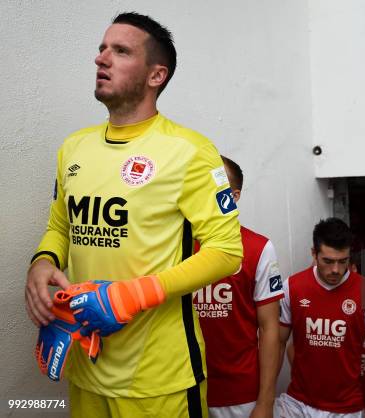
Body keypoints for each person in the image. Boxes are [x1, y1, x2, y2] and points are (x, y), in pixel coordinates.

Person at [25, 12, 242, 418]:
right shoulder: (73, 148)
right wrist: (42, 263)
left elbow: (228, 251)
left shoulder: (191, 151)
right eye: (102, 48)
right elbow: (59, 227)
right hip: (86, 364)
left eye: (120, 51)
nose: (101, 59)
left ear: (155, 75)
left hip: (159, 379)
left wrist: (130, 294)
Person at [193, 156, 283, 418]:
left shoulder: (258, 248)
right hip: (184, 388)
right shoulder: (175, 246)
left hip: (240, 397)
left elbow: (269, 329)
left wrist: (265, 401)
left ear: (234, 195)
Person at [277, 218, 365, 418]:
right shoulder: (292, 287)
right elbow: (278, 342)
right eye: (328, 261)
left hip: (346, 408)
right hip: (297, 403)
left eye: (342, 261)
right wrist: (265, 398)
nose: (335, 269)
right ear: (314, 254)